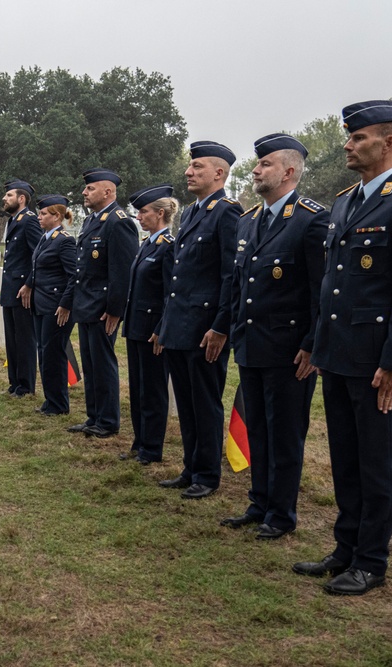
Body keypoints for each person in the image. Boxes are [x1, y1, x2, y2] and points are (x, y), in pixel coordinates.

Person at [294, 101, 392, 595]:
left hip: (376, 359)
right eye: (348, 137)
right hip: (336, 352)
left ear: (388, 142)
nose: (347, 145)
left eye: (358, 138)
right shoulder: (344, 201)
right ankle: (345, 547)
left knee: (377, 460)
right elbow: (331, 286)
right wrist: (316, 343)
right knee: (345, 455)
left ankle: (371, 561)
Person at [222, 134, 329, 539]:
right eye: (257, 163)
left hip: (289, 350)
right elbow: (239, 283)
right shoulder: (250, 220)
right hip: (251, 343)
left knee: (284, 432)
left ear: (289, 171)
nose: (255, 170)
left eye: (264, 163)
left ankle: (281, 514)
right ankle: (259, 502)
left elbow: (322, 289)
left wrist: (311, 344)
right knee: (259, 428)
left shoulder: (312, 218)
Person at [156, 142, 242, 499]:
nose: (188, 172)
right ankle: (190, 467)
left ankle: (207, 474)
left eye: (197, 167)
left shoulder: (227, 212)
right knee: (187, 403)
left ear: (219, 174)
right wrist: (165, 324)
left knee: (205, 403)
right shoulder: (191, 213)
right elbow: (179, 275)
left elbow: (230, 276)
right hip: (180, 325)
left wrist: (221, 326)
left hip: (206, 328)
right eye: (189, 167)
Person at [59, 168, 138, 438]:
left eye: (90, 188)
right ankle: (93, 416)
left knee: (103, 365)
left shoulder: (118, 222)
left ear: (108, 192)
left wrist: (115, 310)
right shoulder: (94, 221)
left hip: (104, 309)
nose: (84, 192)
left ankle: (107, 420)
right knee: (91, 364)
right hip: (87, 305)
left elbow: (121, 272)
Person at [121, 185, 177, 465]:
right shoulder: (147, 244)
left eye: (143, 212)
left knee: (153, 390)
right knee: (137, 387)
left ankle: (152, 447)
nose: (139, 217)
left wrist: (161, 328)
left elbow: (169, 293)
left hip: (152, 329)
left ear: (161, 213)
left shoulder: (168, 247)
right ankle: (139, 440)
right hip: (135, 326)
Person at [18, 195, 77, 416]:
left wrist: (65, 304)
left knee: (53, 354)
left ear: (57, 216)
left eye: (43, 214)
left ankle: (59, 404)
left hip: (56, 308)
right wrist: (28, 285)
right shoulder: (46, 238)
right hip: (41, 304)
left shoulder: (65, 241)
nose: (39, 217)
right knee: (45, 352)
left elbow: (73, 276)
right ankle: (50, 401)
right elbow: (38, 266)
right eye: (40, 213)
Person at [0, 179, 42, 397]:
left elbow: (39, 256)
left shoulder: (29, 221)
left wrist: (29, 284)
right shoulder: (14, 221)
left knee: (24, 339)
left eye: (9, 196)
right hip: (10, 288)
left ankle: (25, 386)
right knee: (12, 338)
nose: (4, 199)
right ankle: (14, 383)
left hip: (22, 290)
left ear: (21, 198)